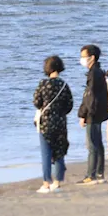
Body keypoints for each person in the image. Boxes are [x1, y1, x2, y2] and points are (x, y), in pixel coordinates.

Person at [33, 56, 73, 194]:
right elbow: (69, 105)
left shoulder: (43, 84)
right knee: (59, 151)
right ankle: (58, 181)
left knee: (46, 153)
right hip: (61, 121)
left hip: (46, 122)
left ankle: (46, 183)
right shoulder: (64, 85)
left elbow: (37, 102)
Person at [77, 45, 108, 186]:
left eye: (84, 56)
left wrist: (83, 114)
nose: (82, 59)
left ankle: (91, 175)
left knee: (92, 145)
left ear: (92, 57)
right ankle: (99, 173)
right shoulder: (98, 72)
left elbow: (89, 96)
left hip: (93, 112)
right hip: (99, 111)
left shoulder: (94, 73)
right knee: (98, 143)